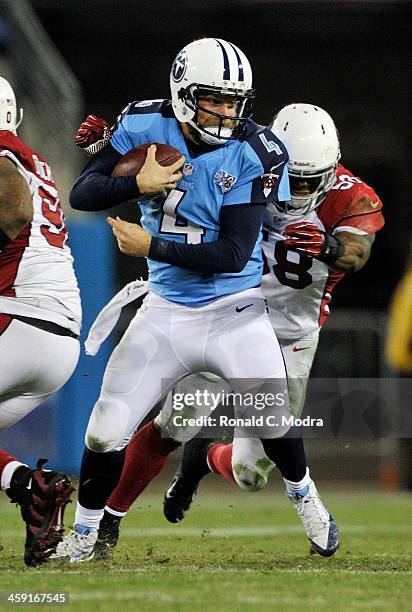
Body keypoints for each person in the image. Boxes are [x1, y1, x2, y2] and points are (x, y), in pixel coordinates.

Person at [52, 39, 338, 563]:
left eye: (236, 102)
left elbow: (232, 254)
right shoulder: (142, 124)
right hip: (163, 310)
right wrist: (136, 180)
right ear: (184, 94)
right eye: (216, 100)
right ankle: (86, 536)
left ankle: (307, 498)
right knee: (103, 430)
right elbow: (83, 193)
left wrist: (149, 245)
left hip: (235, 311)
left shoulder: (258, 150)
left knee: (272, 420)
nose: (229, 112)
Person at [0, 76, 81, 566]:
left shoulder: (5, 155)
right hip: (56, 340)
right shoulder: (29, 158)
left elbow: (12, 210)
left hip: (21, 318)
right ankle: (33, 488)